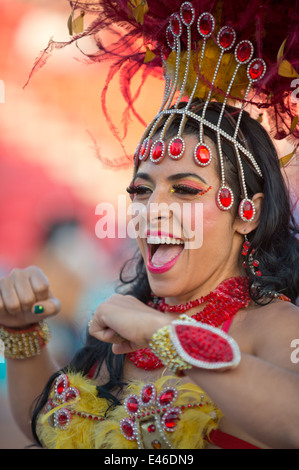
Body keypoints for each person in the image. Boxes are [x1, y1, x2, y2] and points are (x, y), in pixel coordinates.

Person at [1, 0, 299, 450]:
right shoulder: (124, 321)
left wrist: (164, 337)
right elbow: (43, 426)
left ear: (247, 213)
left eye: (184, 190)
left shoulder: (277, 326)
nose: (153, 210)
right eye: (141, 191)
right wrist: (22, 334)